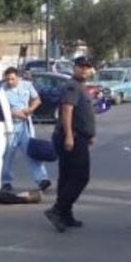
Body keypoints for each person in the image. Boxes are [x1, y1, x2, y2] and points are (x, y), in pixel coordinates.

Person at [44, 57, 97, 232]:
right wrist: (69, 136)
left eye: (87, 67)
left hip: (79, 136)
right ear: (74, 68)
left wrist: (88, 134)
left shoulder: (80, 87)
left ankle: (65, 214)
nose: (84, 70)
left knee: (67, 177)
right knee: (81, 177)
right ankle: (58, 210)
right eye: (81, 67)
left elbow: (82, 113)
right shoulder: (72, 86)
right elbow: (67, 110)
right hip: (71, 137)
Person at [0, 67, 50, 191]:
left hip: (25, 125)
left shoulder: (27, 85)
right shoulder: (2, 89)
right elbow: (0, 109)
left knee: (31, 152)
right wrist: (14, 114)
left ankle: (42, 179)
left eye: (12, 79)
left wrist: (31, 109)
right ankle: (6, 181)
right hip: (10, 126)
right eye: (7, 79)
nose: (10, 82)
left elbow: (37, 100)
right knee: (7, 155)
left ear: (18, 77)